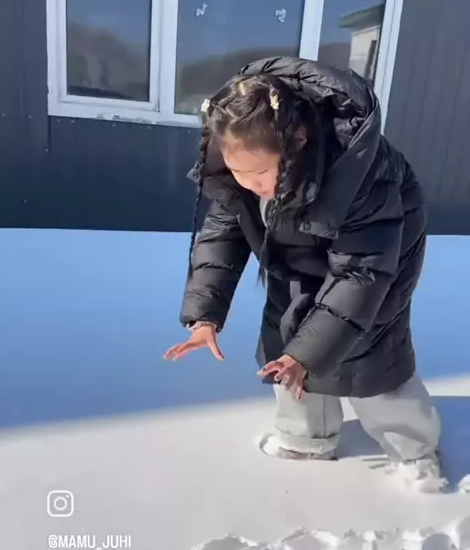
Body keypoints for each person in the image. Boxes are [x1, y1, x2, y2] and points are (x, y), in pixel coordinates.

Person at [165, 57, 446, 493]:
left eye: (259, 174)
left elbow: (361, 273)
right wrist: (205, 315)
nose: (248, 184)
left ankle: (413, 448)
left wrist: (308, 355)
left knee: (369, 361)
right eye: (237, 172)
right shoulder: (244, 157)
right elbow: (222, 234)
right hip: (297, 255)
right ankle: (307, 438)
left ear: (297, 141)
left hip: (376, 263)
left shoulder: (364, 175)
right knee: (285, 344)